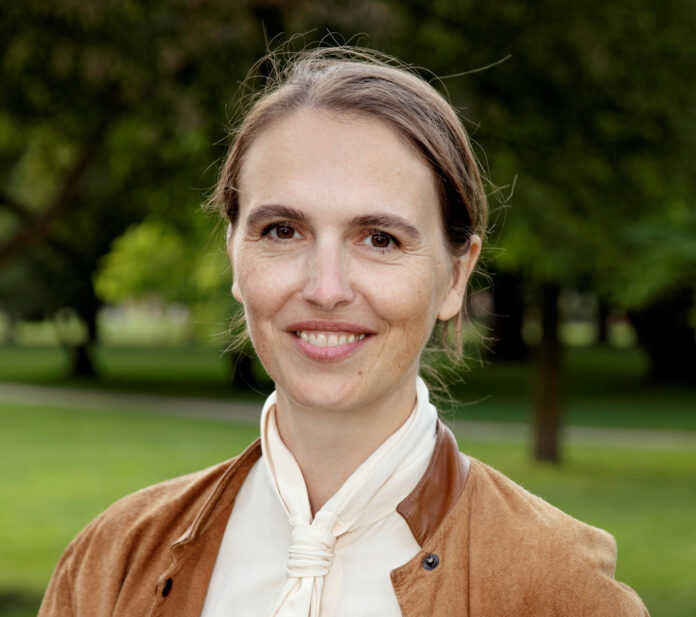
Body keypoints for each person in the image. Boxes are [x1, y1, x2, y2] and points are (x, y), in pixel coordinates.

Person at [39, 47, 649, 617]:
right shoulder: (112, 563)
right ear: (233, 254)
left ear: (455, 276)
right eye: (282, 230)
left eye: (380, 239)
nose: (326, 288)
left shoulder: (556, 588)